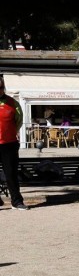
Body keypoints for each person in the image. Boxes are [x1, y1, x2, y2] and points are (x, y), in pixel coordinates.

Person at [0, 77, 29, 210]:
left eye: (0, 88)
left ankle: (16, 201)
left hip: (9, 144)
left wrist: (10, 132)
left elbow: (19, 120)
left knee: (11, 173)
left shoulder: (12, 103)